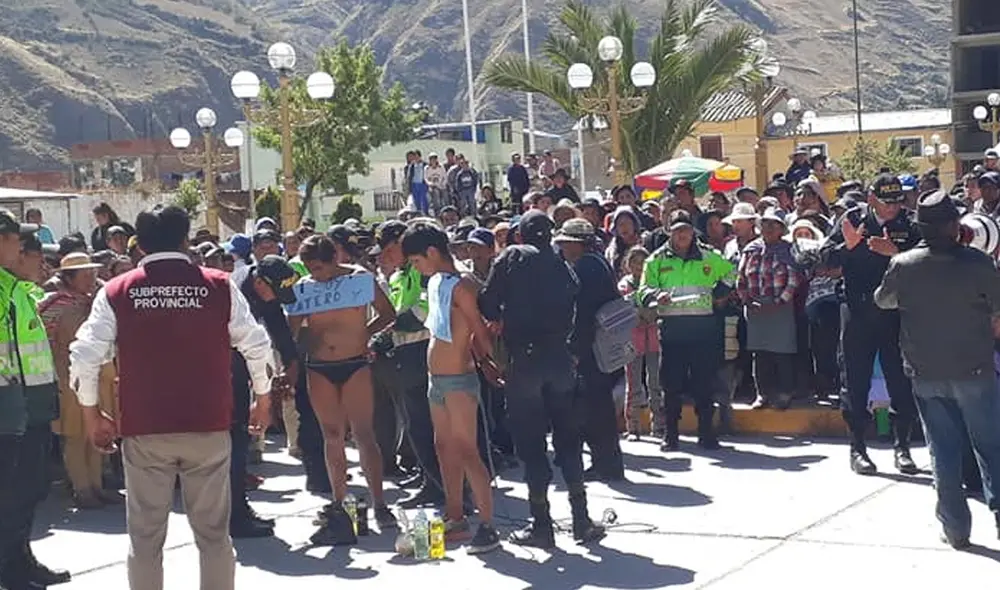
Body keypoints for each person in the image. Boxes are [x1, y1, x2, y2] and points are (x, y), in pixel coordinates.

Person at [69, 205, 276, 590]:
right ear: (186, 239)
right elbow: (257, 345)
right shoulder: (218, 285)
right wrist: (262, 400)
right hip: (209, 426)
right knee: (214, 537)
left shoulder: (117, 291)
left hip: (145, 429)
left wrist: (92, 413)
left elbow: (83, 356)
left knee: (145, 541)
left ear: (140, 244)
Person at [874, 189, 1000, 549]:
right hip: (974, 369)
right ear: (954, 225)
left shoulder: (904, 265)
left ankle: (956, 529)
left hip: (925, 371)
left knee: (942, 451)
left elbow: (883, 300)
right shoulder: (977, 263)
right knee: (991, 446)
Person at [480, 210, 605, 547]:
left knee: (532, 445)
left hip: (526, 361)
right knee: (568, 440)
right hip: (560, 359)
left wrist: (504, 315)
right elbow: (577, 303)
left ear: (519, 234)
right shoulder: (561, 263)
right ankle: (581, 520)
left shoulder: (512, 257)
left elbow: (488, 303)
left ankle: (541, 525)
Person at [291, 235, 398, 545]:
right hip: (320, 367)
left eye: (320, 267)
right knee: (332, 436)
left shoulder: (359, 279)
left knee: (364, 433)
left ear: (334, 259)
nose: (317, 274)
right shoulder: (304, 286)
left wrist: (365, 335)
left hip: (355, 362)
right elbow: (294, 328)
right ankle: (340, 503)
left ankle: (379, 502)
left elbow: (387, 313)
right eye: (310, 268)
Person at [401, 223, 502, 553]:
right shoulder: (436, 281)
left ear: (432, 253)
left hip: (459, 379)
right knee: (443, 447)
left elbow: (479, 330)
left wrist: (491, 362)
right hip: (437, 379)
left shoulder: (462, 284)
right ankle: (455, 515)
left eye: (416, 261)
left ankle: (487, 525)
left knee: (467, 450)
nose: (416, 268)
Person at [821, 173, 921, 476]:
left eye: (897, 201)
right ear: (871, 198)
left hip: (896, 313)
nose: (893, 208)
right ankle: (858, 447)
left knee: (900, 379)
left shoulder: (911, 223)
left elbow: (930, 261)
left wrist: (899, 254)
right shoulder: (853, 219)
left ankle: (902, 447)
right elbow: (823, 260)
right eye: (886, 202)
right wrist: (846, 248)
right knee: (855, 378)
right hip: (858, 309)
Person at [0, 213, 71, 590]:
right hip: (10, 410)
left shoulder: (21, 293)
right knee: (11, 493)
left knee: (29, 490)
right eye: (24, 246)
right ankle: (9, 566)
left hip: (33, 407)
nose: (39, 260)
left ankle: (21, 559)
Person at [638, 210, 734, 452]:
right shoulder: (656, 260)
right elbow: (643, 290)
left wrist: (720, 292)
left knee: (704, 385)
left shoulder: (709, 256)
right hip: (672, 331)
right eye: (677, 230)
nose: (682, 235)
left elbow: (731, 271)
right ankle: (671, 435)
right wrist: (655, 295)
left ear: (693, 232)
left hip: (703, 330)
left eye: (686, 230)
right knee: (671, 386)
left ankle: (706, 433)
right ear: (669, 231)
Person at [371, 221, 445, 508]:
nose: (384, 257)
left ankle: (437, 484)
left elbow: (424, 307)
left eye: (389, 249)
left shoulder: (421, 269)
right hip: (404, 351)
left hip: (422, 347)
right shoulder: (399, 276)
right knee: (415, 423)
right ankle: (427, 475)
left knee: (425, 423)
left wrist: (395, 324)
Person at [228, 255, 301, 538]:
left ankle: (239, 507)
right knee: (234, 439)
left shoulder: (263, 289)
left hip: (243, 366)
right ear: (259, 283)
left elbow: (279, 328)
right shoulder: (234, 292)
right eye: (275, 293)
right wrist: (263, 391)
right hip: (223, 368)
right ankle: (235, 516)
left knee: (240, 441)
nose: (277, 300)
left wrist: (291, 366)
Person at [40, 253, 120, 510]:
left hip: (100, 375)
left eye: (93, 274)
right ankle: (82, 489)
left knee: (96, 434)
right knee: (75, 437)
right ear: (69, 278)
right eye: (85, 275)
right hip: (70, 378)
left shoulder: (96, 303)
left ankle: (96, 486)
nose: (91, 279)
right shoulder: (57, 304)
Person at [554, 219, 625, 482]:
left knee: (596, 410)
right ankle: (607, 463)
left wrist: (576, 350)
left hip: (592, 349)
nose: (562, 247)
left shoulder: (585, 269)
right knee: (599, 407)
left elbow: (584, 314)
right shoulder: (596, 263)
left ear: (577, 244)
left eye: (565, 242)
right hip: (601, 346)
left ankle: (605, 464)